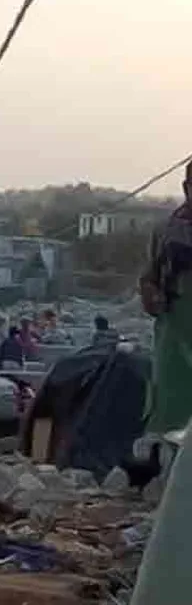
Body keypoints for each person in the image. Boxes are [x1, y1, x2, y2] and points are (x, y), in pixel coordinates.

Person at [140, 164, 192, 433]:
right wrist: (153, 296)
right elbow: (148, 277)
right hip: (174, 332)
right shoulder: (166, 231)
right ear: (186, 188)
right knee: (171, 414)